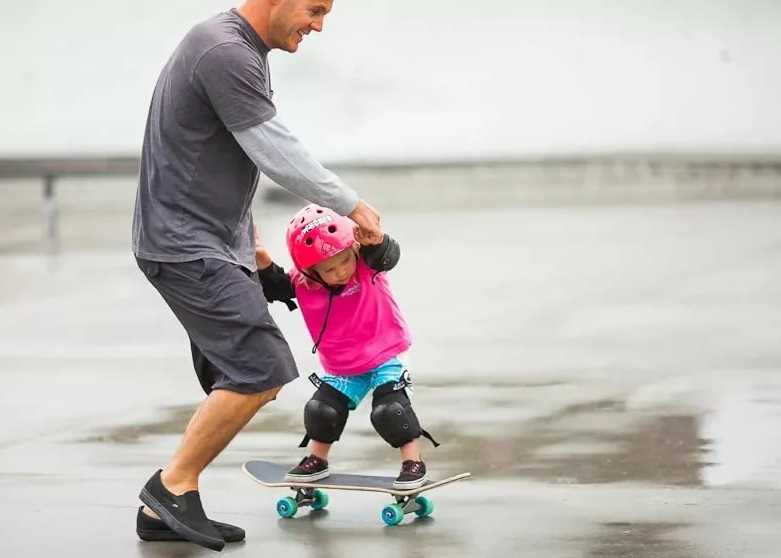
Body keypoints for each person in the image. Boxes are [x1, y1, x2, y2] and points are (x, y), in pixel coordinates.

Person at [132, 0, 382, 551]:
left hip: (209, 244)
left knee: (246, 374)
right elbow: (275, 151)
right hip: (185, 247)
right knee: (260, 367)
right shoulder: (225, 50)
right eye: (315, 10)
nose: (318, 25)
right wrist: (352, 206)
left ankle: (168, 501)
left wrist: (256, 253)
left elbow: (218, 160)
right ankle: (170, 487)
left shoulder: (238, 49)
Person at [254, 205, 439, 490]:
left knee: (391, 411)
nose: (341, 272)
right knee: (321, 410)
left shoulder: (367, 266)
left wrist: (374, 239)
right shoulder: (304, 283)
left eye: (344, 261)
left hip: (387, 355)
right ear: (310, 270)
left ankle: (413, 462)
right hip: (343, 367)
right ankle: (317, 461)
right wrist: (262, 260)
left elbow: (386, 255)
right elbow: (276, 287)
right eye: (329, 269)